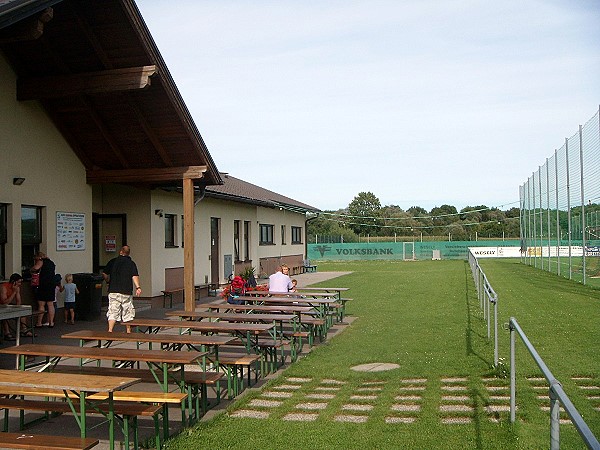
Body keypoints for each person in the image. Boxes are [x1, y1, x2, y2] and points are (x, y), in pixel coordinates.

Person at [102, 245, 141, 333]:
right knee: (127, 311)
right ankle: (128, 331)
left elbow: (104, 274)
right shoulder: (131, 263)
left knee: (113, 310)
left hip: (113, 290)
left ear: (120, 252)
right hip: (126, 291)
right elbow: (134, 276)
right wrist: (138, 287)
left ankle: (110, 330)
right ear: (128, 253)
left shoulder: (113, 261)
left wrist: (108, 282)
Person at [0, 273, 31, 339]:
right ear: (13, 282)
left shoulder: (17, 288)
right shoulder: (4, 287)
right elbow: (4, 302)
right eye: (19, 282)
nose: (20, 284)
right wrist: (14, 292)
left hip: (8, 305)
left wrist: (18, 309)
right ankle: (7, 332)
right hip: (1, 305)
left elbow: (18, 300)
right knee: (4, 315)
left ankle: (24, 330)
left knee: (22, 312)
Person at [33, 251, 57, 328]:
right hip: (51, 284)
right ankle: (51, 322)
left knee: (41, 304)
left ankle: (39, 323)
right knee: (50, 304)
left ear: (38, 257)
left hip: (43, 284)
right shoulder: (51, 262)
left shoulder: (41, 261)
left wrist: (31, 270)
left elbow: (35, 268)